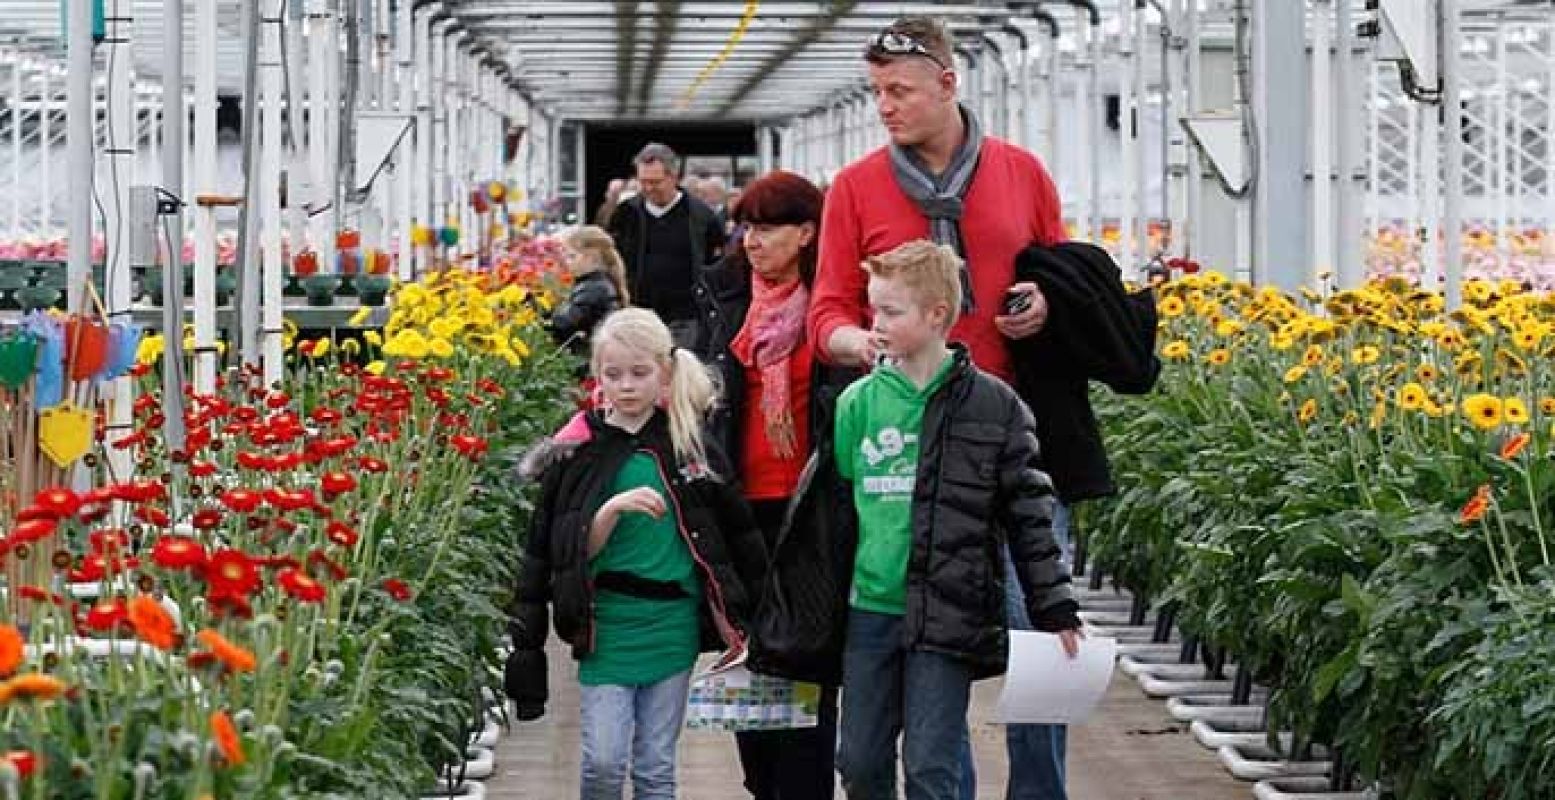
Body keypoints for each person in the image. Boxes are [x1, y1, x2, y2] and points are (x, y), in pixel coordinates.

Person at [805, 16, 1073, 799]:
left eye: (899, 91)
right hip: (908, 449)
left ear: (948, 83)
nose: (884, 106)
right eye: (876, 92)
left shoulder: (1020, 173)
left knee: (1036, 640)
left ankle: (1038, 791)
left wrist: (1043, 306)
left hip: (1009, 438)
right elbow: (828, 310)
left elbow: (1064, 274)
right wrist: (862, 343)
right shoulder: (855, 188)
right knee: (931, 647)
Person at [830, 241, 1081, 800]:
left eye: (892, 311)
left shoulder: (995, 407)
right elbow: (834, 515)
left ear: (937, 314)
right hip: (870, 611)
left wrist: (1054, 605)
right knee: (861, 762)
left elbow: (1030, 516)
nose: (878, 324)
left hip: (947, 612)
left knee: (930, 763)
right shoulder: (856, 405)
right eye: (874, 310)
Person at [505, 308, 769, 800]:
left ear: (664, 373)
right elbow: (554, 553)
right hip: (606, 626)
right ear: (597, 376)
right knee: (604, 762)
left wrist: (758, 621)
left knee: (654, 766)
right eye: (613, 374)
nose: (626, 386)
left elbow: (736, 537)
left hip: (671, 626)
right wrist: (609, 512)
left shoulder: (688, 446)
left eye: (640, 373)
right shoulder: (578, 451)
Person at [693, 169, 839, 800]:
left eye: (768, 228)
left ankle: (802, 790)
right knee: (751, 654)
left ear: (807, 233)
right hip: (741, 503)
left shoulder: (837, 302)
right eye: (747, 227)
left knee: (808, 655)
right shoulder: (725, 294)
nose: (752, 240)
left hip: (812, 510)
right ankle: (765, 785)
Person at [607, 144, 727, 349]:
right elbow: (612, 258)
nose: (648, 188)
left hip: (686, 315)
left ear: (674, 177)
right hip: (638, 312)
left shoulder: (700, 217)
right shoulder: (626, 214)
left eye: (655, 182)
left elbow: (715, 261)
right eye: (643, 181)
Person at [548, 225, 629, 360]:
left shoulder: (594, 288)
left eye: (572, 256)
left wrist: (539, 312)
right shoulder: (592, 284)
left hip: (587, 360)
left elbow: (566, 323)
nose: (567, 262)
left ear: (589, 258)